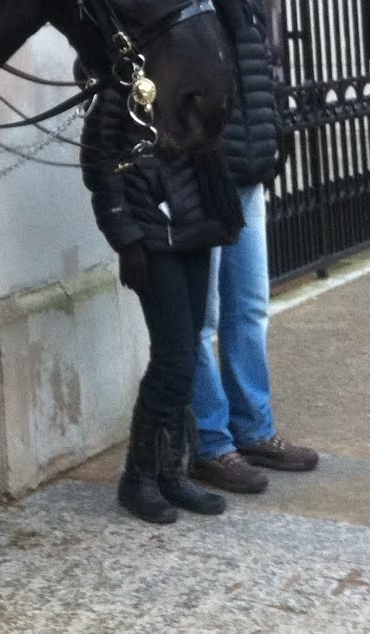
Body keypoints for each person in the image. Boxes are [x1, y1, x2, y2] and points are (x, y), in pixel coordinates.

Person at [184, 0, 319, 495]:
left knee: (250, 308)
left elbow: (265, 75)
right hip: (203, 176)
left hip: (249, 174)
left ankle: (254, 429)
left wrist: (273, 140)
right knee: (203, 316)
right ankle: (210, 443)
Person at [80, 64, 239, 524]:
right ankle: (138, 478)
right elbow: (100, 167)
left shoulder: (186, 68)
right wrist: (127, 241)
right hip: (152, 241)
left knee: (186, 351)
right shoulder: (121, 79)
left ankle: (170, 473)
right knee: (174, 359)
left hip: (194, 225)